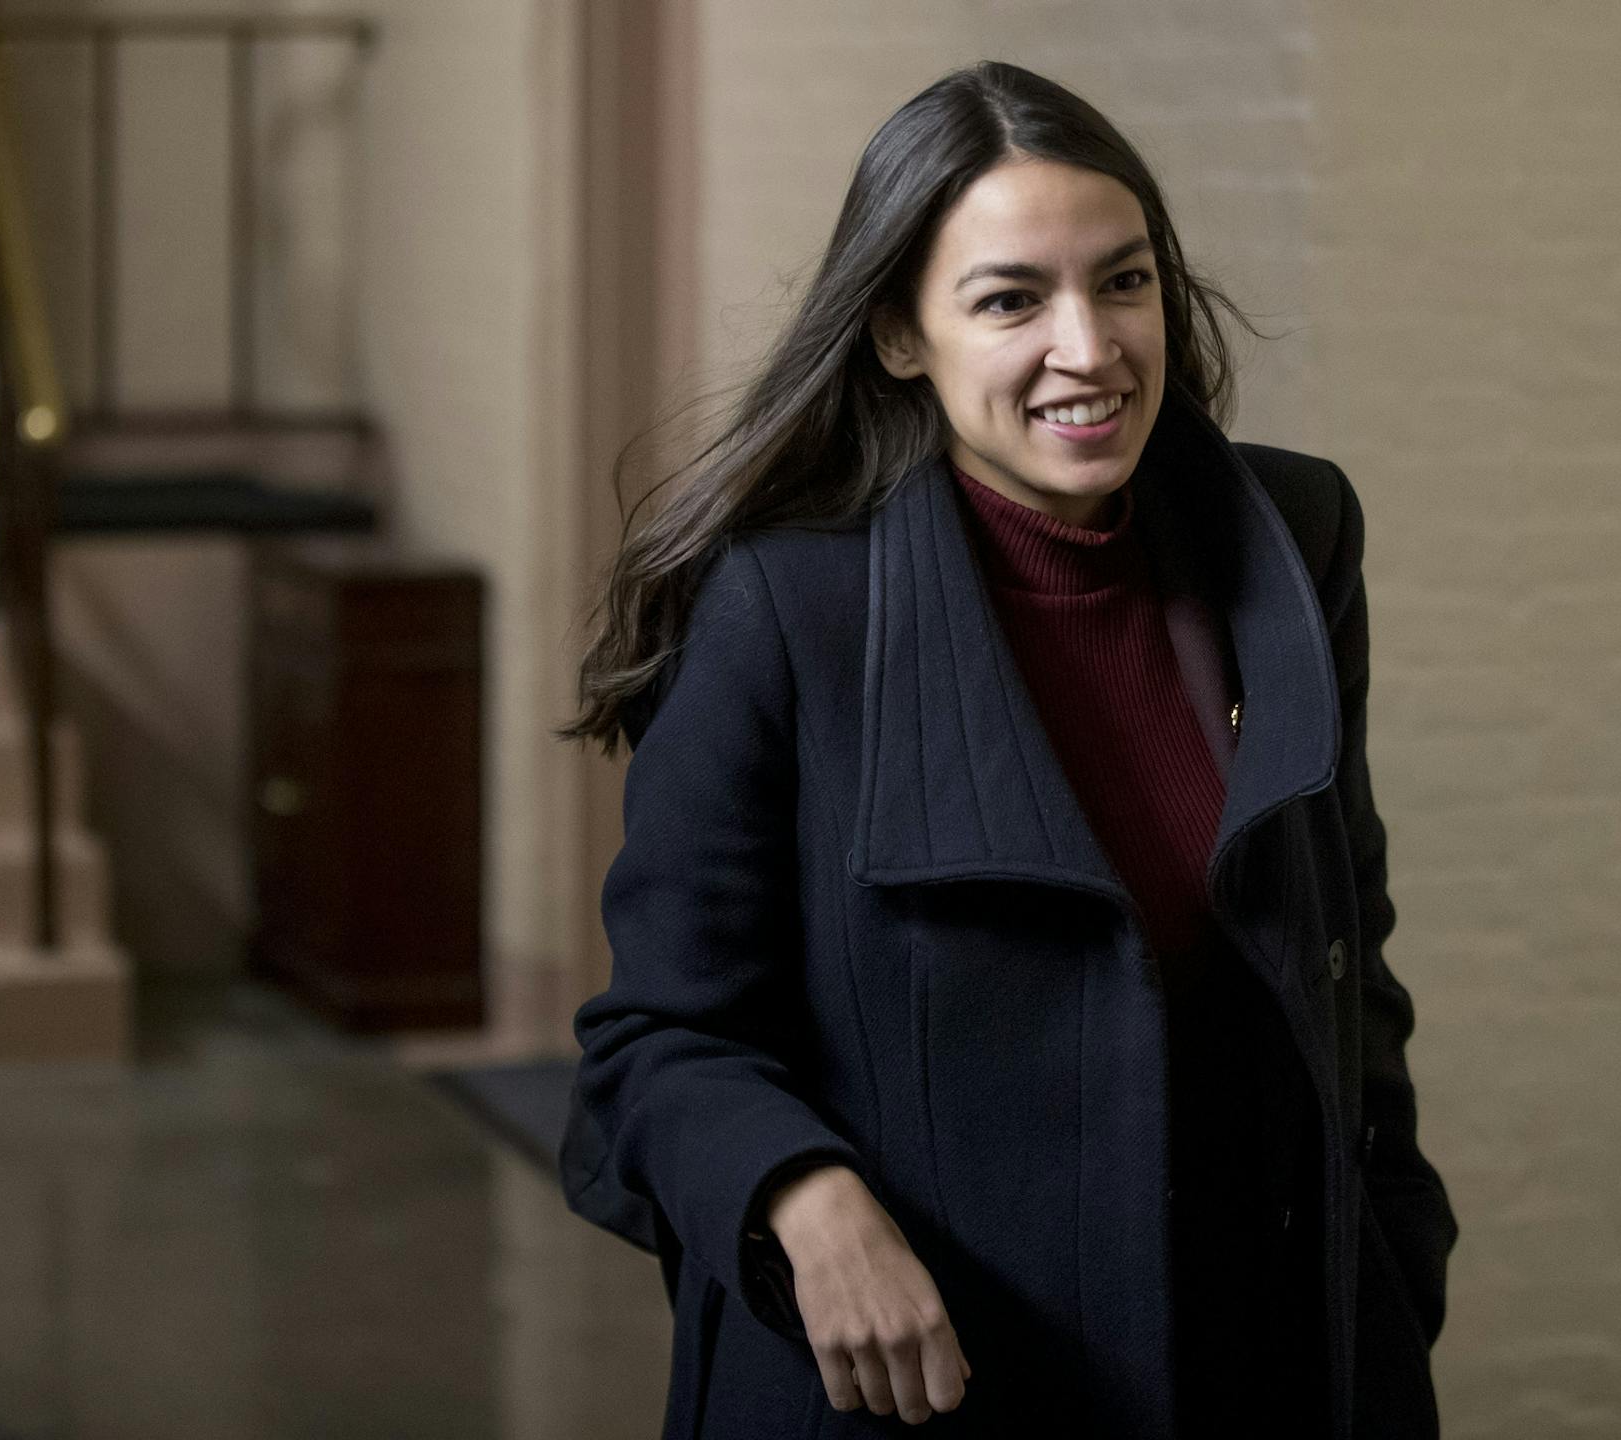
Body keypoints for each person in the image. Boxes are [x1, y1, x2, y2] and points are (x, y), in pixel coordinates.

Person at [559, 62, 1455, 1439]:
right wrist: (803, 1194)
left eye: (1125, 282)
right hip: (934, 1391)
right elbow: (652, 1042)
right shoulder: (786, 607)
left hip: (1257, 1368)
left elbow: (1347, 957)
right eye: (1010, 300)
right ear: (898, 336)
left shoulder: (1289, 541)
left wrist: (1392, 1258)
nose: (1088, 348)